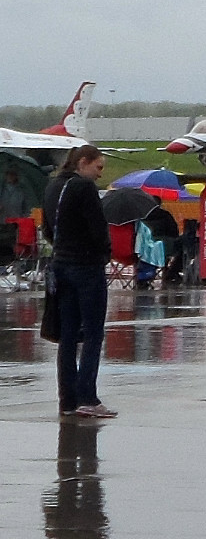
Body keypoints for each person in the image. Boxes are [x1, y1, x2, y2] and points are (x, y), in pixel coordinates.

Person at [42, 146, 116, 419]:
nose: (99, 174)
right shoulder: (84, 188)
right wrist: (104, 253)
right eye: (98, 167)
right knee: (94, 333)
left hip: (60, 265)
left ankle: (68, 400)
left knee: (68, 335)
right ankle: (88, 397)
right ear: (83, 162)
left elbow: (47, 229)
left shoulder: (52, 187)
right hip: (86, 266)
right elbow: (98, 228)